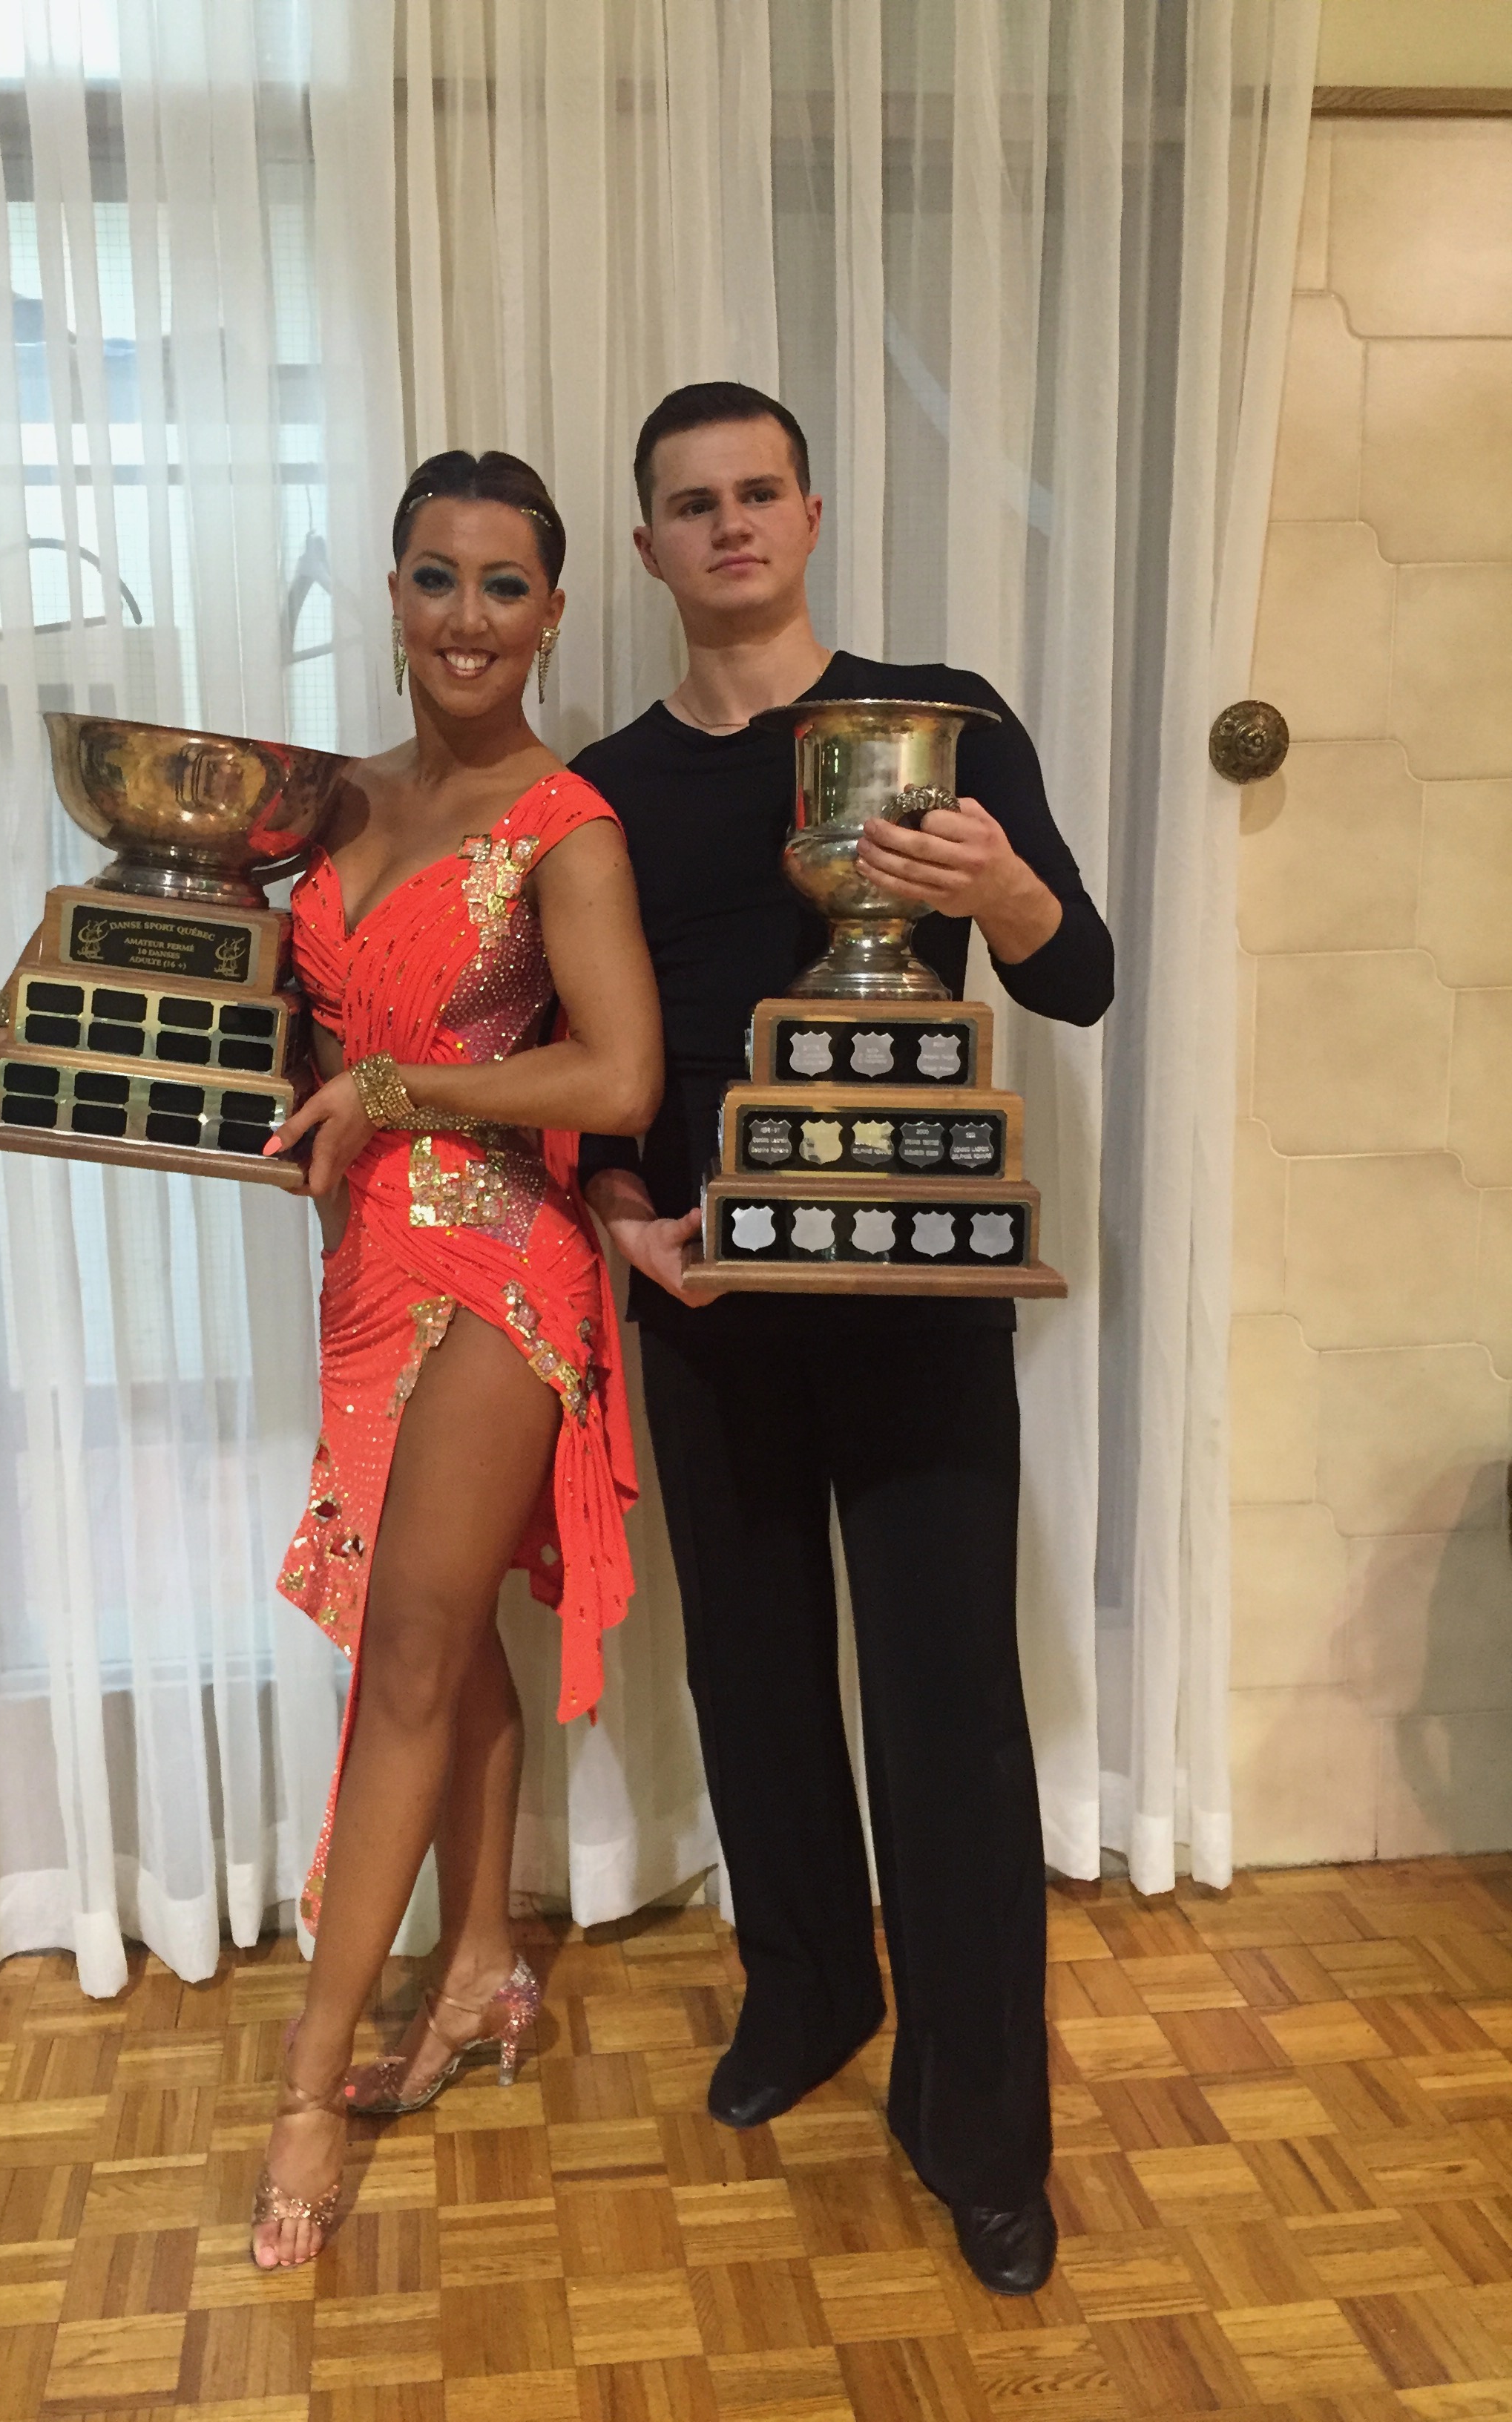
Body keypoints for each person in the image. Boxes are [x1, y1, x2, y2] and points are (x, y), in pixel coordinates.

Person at [573, 383, 1113, 2298]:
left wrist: (1009, 887)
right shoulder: (608, 782)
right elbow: (582, 1052)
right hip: (711, 1282)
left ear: (811, 515)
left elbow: (1084, 973)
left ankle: (983, 2124)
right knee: (753, 1671)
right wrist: (630, 1224)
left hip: (915, 1280)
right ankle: (806, 1994)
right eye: (688, 505)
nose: (727, 527)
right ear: (646, 548)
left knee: (952, 1706)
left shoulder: (939, 722)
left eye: (756, 494)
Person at [250, 450, 661, 2266]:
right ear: (391, 595)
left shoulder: (566, 824)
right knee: (437, 1625)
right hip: (361, 1265)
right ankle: (488, 1958)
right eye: (437, 579)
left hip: (504, 1257)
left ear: (554, 612)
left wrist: (406, 1088)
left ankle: (308, 2083)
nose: (470, 618)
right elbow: (279, 1022)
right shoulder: (324, 804)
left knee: (409, 1648)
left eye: (507, 585)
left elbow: (619, 1078)